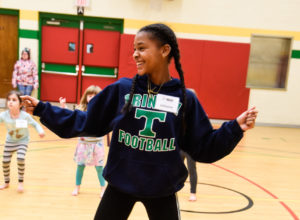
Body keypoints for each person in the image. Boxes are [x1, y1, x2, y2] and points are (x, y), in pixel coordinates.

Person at [21, 23, 258, 220]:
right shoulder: (122, 90)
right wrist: (43, 109)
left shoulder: (185, 98)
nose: (135, 54)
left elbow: (204, 147)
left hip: (162, 189)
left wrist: (234, 128)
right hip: (120, 184)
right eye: (134, 49)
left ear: (165, 50)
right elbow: (86, 122)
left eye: (142, 48)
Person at [59, 85, 106, 197]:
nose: (92, 98)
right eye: (90, 96)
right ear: (86, 97)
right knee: (80, 166)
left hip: (97, 144)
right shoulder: (81, 108)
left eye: (95, 96)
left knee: (99, 168)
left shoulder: (102, 110)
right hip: (83, 144)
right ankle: (77, 187)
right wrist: (64, 106)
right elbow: (71, 116)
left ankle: (103, 188)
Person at [0, 90, 45, 193]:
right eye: (9, 100)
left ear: (20, 104)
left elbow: (35, 124)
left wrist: (40, 131)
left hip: (22, 141)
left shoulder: (25, 116)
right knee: (5, 162)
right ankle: (6, 182)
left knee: (20, 158)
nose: (10, 102)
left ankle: (20, 182)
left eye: (14, 100)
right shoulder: (4, 115)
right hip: (10, 141)